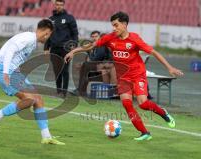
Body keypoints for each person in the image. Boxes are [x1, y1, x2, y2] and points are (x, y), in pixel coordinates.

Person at [64, 11, 184, 141]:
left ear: (125, 24)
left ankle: (163, 113)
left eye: (116, 25)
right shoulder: (110, 38)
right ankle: (145, 132)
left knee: (143, 104)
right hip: (123, 77)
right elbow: (91, 46)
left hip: (138, 74)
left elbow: (154, 52)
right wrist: (74, 51)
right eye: (113, 26)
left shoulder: (134, 39)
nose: (114, 28)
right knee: (127, 104)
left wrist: (170, 68)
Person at [0, 19, 65, 145]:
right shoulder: (28, 38)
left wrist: (16, 67)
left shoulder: (32, 41)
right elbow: (10, 50)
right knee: (30, 99)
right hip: (5, 71)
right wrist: (6, 72)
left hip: (14, 72)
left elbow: (13, 53)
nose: (48, 37)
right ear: (46, 32)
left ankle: (46, 137)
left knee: (38, 99)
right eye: (49, 34)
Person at [44, 0, 79, 97]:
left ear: (63, 6)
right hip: (54, 48)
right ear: (54, 5)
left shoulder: (69, 18)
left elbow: (75, 33)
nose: (59, 6)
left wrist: (74, 46)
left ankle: (64, 93)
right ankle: (58, 91)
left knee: (65, 70)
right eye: (57, 5)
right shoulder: (50, 19)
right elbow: (48, 34)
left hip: (66, 49)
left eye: (61, 5)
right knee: (57, 71)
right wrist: (46, 48)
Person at [74, 31, 116, 96]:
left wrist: (85, 61)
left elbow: (96, 58)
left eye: (96, 36)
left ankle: (81, 90)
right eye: (93, 37)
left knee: (85, 67)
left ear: (99, 37)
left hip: (101, 67)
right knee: (84, 68)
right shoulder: (94, 46)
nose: (94, 38)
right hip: (99, 67)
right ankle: (81, 90)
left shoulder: (101, 46)